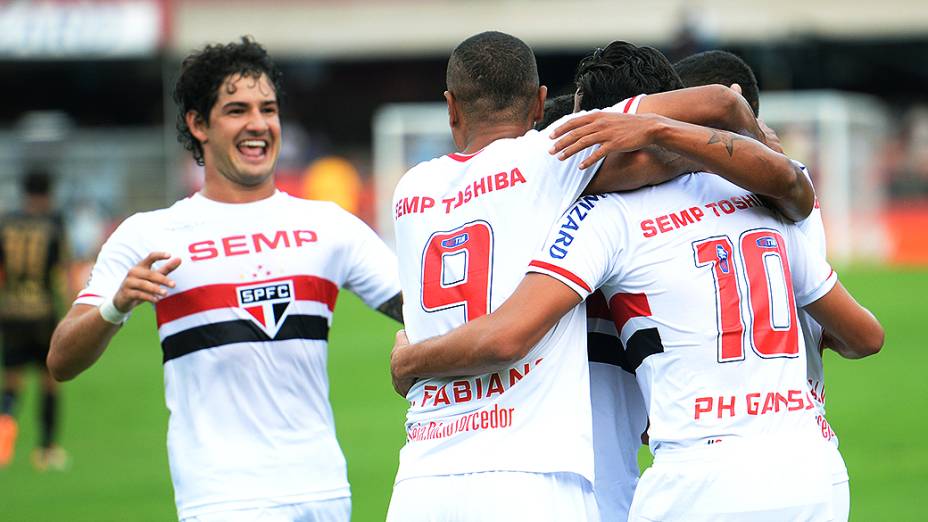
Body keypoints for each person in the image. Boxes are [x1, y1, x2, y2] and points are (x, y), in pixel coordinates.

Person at [391, 58, 883, 522]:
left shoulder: (594, 217)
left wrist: (412, 360)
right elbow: (864, 335)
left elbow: (507, 335)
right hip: (808, 466)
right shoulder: (764, 207)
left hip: (669, 476)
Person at [47, 37, 402, 522]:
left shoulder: (329, 226)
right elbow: (62, 359)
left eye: (268, 109)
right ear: (198, 124)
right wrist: (117, 304)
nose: (258, 124)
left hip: (323, 492)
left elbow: (424, 306)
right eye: (237, 110)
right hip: (222, 499)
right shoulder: (150, 234)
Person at [675, 48, 853, 521]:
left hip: (721, 442)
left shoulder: (701, 197)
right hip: (808, 440)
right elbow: (860, 334)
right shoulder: (792, 188)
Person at [0, 169, 70, 471]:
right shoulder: (53, 223)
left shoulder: (6, 224)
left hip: (11, 310)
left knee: (11, 383)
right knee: (49, 382)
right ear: (49, 192)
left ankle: (3, 447)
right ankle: (47, 450)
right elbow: (63, 273)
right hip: (42, 312)